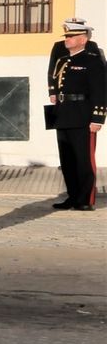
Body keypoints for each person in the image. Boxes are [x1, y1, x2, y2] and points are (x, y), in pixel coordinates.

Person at [48, 17, 104, 211]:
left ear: (83, 39)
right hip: (63, 114)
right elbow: (56, 83)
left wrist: (97, 118)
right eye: (66, 36)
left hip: (82, 115)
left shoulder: (92, 61)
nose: (67, 39)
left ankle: (85, 199)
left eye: (71, 36)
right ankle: (72, 196)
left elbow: (100, 91)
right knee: (67, 160)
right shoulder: (63, 61)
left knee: (83, 159)